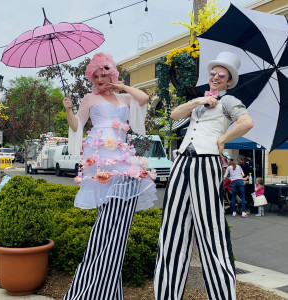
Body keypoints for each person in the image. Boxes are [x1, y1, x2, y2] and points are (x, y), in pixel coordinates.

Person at [154, 52, 253, 300]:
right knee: (172, 229)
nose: (216, 77)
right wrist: (199, 102)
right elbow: (175, 116)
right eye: (213, 73)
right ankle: (166, 294)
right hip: (181, 163)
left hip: (206, 162)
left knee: (211, 229)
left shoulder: (229, 100)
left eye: (222, 74)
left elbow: (246, 122)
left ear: (229, 80)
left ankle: (221, 296)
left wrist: (222, 139)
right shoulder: (200, 101)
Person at [62, 52, 157, 300]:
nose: (100, 79)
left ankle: (107, 288)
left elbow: (145, 98)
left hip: (123, 159)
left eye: (104, 74)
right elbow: (76, 126)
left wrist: (122, 85)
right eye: (96, 76)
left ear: (111, 74)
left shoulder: (124, 96)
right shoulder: (89, 99)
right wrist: (69, 110)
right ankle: (97, 285)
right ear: (91, 79)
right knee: (107, 219)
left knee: (118, 219)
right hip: (101, 157)